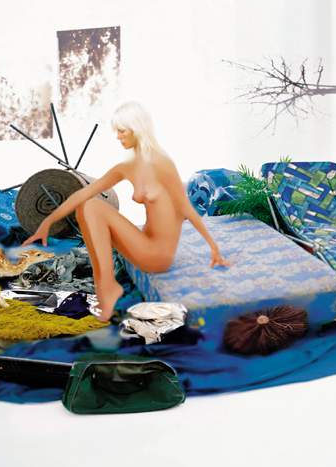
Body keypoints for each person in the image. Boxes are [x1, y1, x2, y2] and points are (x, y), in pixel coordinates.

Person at [22, 101, 230, 320]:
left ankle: (107, 286)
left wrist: (214, 248)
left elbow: (186, 207)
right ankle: (106, 285)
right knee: (87, 206)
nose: (118, 136)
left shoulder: (162, 164)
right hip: (143, 242)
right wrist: (47, 223)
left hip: (158, 255)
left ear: (137, 129)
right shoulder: (127, 167)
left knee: (91, 207)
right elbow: (83, 193)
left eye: (122, 131)